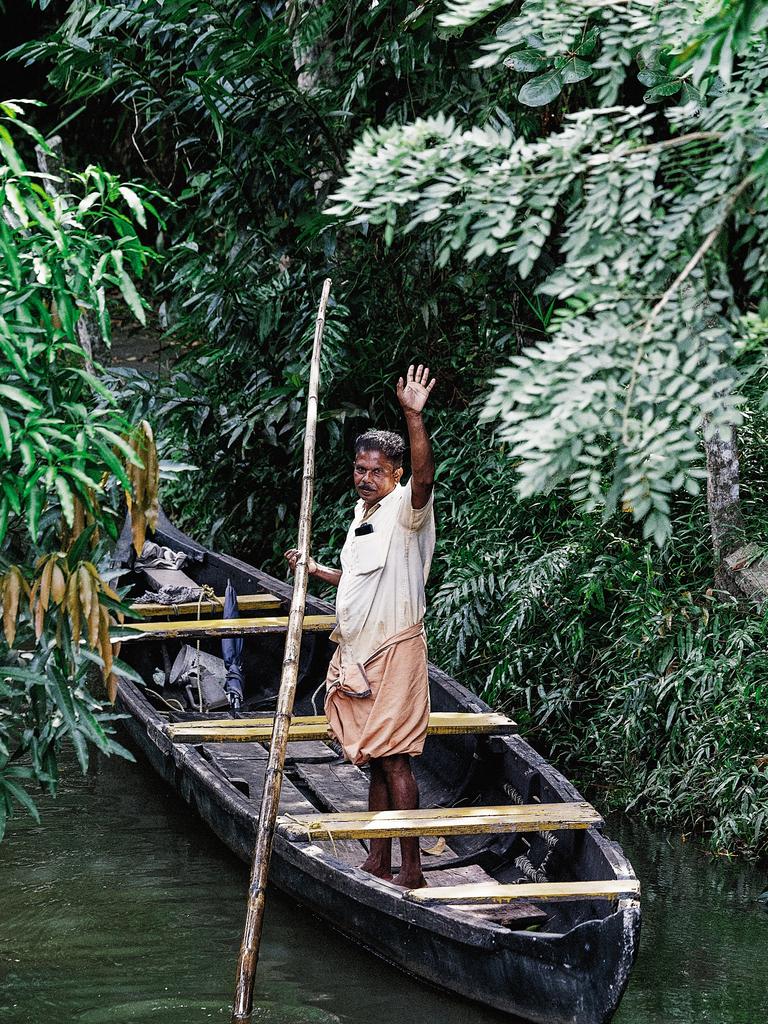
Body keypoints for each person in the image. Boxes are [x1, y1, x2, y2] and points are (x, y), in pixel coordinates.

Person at [285, 363, 436, 888]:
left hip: (394, 650)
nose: (365, 478)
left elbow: (425, 475)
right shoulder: (363, 511)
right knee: (375, 760)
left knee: (395, 762)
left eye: (376, 471)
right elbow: (356, 577)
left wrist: (413, 416)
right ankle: (378, 858)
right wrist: (313, 569)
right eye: (359, 469)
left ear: (395, 474)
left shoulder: (406, 508)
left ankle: (412, 871)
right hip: (359, 650)